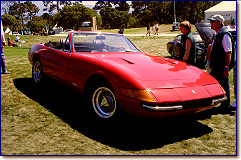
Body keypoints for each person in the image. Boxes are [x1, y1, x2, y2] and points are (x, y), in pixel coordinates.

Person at [207, 15, 235, 111]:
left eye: (213, 21)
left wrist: (226, 67)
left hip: (221, 66)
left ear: (219, 23)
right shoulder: (217, 34)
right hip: (216, 65)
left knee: (223, 84)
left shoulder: (224, 34)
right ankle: (219, 102)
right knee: (217, 84)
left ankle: (225, 105)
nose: (211, 23)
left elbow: (228, 52)